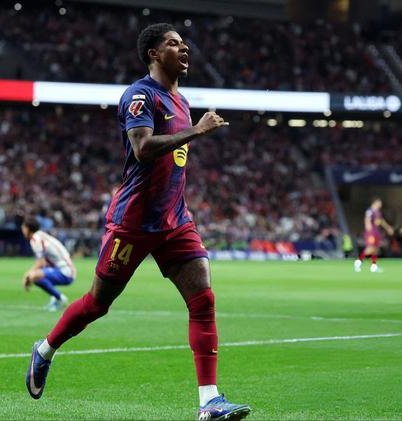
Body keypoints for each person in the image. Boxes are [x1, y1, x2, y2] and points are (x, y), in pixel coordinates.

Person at [25, 23, 250, 420]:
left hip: (175, 221)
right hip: (133, 222)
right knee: (98, 304)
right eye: (174, 44)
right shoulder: (139, 95)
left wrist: (192, 131)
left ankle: (209, 402)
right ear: (153, 53)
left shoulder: (182, 101)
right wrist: (197, 131)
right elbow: (143, 148)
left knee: (203, 300)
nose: (184, 48)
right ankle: (44, 350)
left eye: (184, 43)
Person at [21, 216, 76, 311]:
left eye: (23, 228)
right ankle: (55, 298)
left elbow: (41, 263)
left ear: (27, 228)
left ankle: (60, 298)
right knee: (36, 275)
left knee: (33, 276)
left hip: (65, 272)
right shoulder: (40, 235)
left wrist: (27, 275)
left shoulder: (35, 239)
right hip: (65, 269)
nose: (22, 230)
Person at [354, 198, 393, 273]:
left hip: (377, 233)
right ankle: (358, 262)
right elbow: (367, 219)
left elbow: (381, 221)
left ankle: (373, 266)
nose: (380, 204)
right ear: (375, 202)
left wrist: (388, 228)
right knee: (370, 248)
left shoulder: (378, 212)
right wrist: (369, 228)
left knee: (376, 250)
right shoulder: (370, 211)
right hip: (371, 233)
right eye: (379, 203)